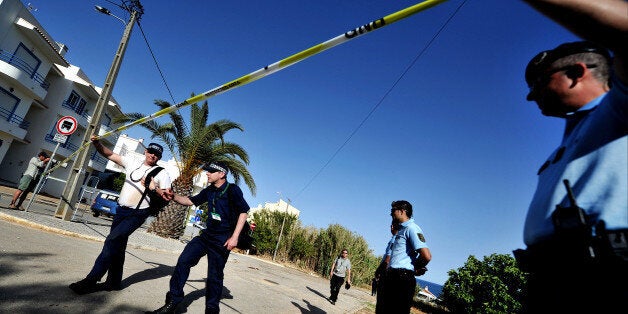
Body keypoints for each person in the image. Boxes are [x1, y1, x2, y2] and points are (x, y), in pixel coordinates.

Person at [514, 1, 628, 312]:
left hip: (601, 281)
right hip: (550, 281)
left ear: (576, 72)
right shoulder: (568, 140)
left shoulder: (619, 108)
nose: (531, 94)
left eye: (538, 82)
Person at [69, 136, 171, 294]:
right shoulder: (133, 163)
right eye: (151, 152)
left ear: (159, 157)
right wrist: (97, 143)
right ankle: (114, 282)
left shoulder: (162, 173)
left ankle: (91, 280)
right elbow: (109, 155)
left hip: (138, 213)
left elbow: (167, 197)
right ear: (146, 152)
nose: (153, 156)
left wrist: (154, 188)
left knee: (112, 240)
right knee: (119, 245)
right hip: (121, 210)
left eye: (156, 155)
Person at [148, 161, 250, 314]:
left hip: (222, 240)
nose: (207, 173)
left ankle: (211, 309)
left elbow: (243, 212)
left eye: (211, 171)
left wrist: (234, 237)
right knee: (184, 261)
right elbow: (190, 201)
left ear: (222, 174)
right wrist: (174, 196)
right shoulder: (209, 190)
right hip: (206, 236)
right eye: (207, 171)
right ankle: (173, 301)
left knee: (214, 276)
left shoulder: (232, 190)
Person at [377, 200, 431, 314]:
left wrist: (415, 267)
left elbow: (426, 256)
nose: (391, 214)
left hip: (402, 279)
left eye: (393, 211)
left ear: (402, 211)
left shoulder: (412, 228)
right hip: (392, 277)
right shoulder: (401, 230)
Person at [374, 221, 399, 312]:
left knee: (381, 305)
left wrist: (378, 271)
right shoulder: (398, 239)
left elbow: (387, 259)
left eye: (393, 225)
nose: (391, 227)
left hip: (387, 274)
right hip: (392, 274)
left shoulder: (395, 239)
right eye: (391, 225)